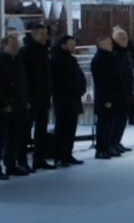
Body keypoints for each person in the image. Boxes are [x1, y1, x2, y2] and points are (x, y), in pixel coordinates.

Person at [0, 35, 30, 179]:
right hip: (4, 107)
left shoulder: (17, 61)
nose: (16, 48)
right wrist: (3, 104)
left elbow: (22, 82)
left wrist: (25, 99)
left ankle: (10, 165)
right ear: (3, 46)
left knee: (14, 137)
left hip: (17, 104)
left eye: (17, 46)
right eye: (13, 46)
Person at [18, 23, 54, 170]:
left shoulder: (44, 50)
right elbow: (23, 77)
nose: (45, 37)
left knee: (41, 129)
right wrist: (27, 97)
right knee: (25, 130)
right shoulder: (26, 51)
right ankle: (22, 161)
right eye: (41, 34)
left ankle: (39, 159)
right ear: (33, 34)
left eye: (46, 34)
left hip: (43, 96)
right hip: (31, 97)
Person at [49, 35, 86, 167]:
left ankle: (67, 154)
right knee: (62, 128)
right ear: (63, 45)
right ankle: (59, 155)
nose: (73, 46)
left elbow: (79, 76)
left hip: (74, 97)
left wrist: (81, 88)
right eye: (71, 44)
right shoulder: (55, 60)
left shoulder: (72, 60)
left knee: (71, 128)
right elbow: (56, 81)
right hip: (63, 99)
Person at [90, 36, 120, 159]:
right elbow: (101, 81)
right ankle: (101, 149)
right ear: (100, 44)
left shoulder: (110, 58)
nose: (111, 45)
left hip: (111, 96)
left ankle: (107, 147)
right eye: (108, 43)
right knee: (103, 124)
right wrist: (107, 99)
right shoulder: (99, 59)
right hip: (104, 97)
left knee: (109, 124)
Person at [110, 27, 134, 153]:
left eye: (125, 37)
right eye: (120, 37)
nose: (124, 39)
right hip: (116, 93)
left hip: (127, 92)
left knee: (122, 120)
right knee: (114, 120)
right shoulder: (112, 54)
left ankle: (116, 141)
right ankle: (111, 143)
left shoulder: (127, 54)